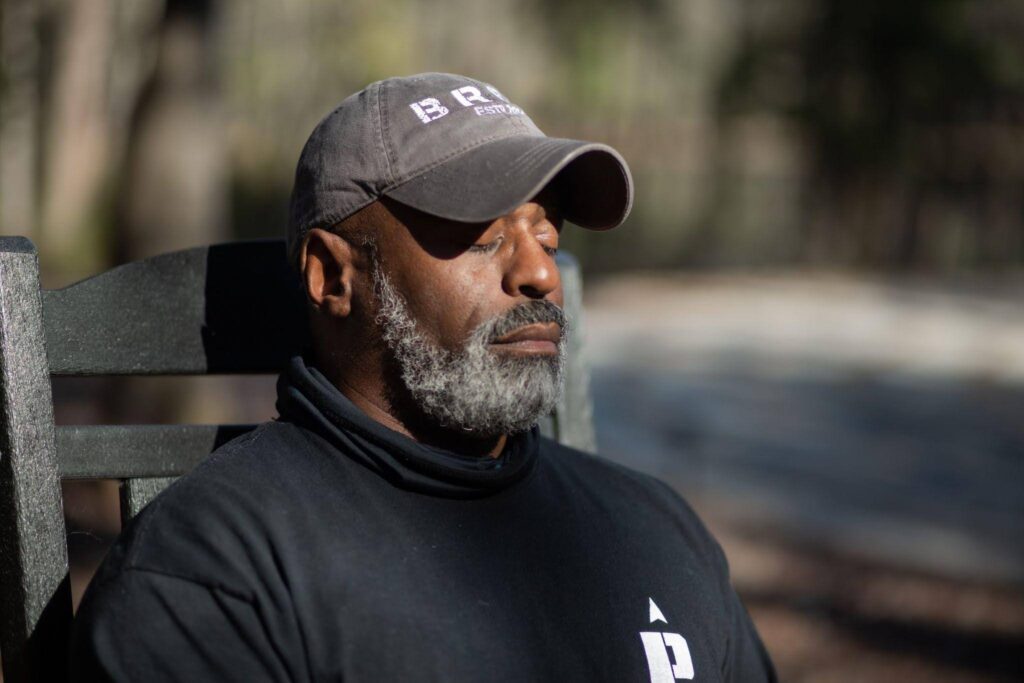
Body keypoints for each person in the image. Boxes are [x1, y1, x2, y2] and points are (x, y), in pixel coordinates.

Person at [71, 73, 776, 682]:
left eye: (549, 235)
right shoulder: (215, 576)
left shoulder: (658, 532)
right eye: (481, 237)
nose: (538, 271)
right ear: (333, 276)